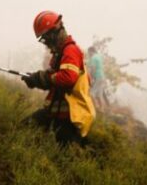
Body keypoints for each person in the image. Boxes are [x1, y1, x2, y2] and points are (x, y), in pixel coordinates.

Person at [23, 10, 96, 146]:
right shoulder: (59, 54)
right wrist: (34, 80)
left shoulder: (70, 51)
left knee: (68, 157)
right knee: (24, 129)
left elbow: (67, 78)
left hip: (70, 118)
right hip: (56, 114)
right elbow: (53, 80)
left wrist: (41, 77)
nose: (45, 43)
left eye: (45, 38)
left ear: (54, 33)